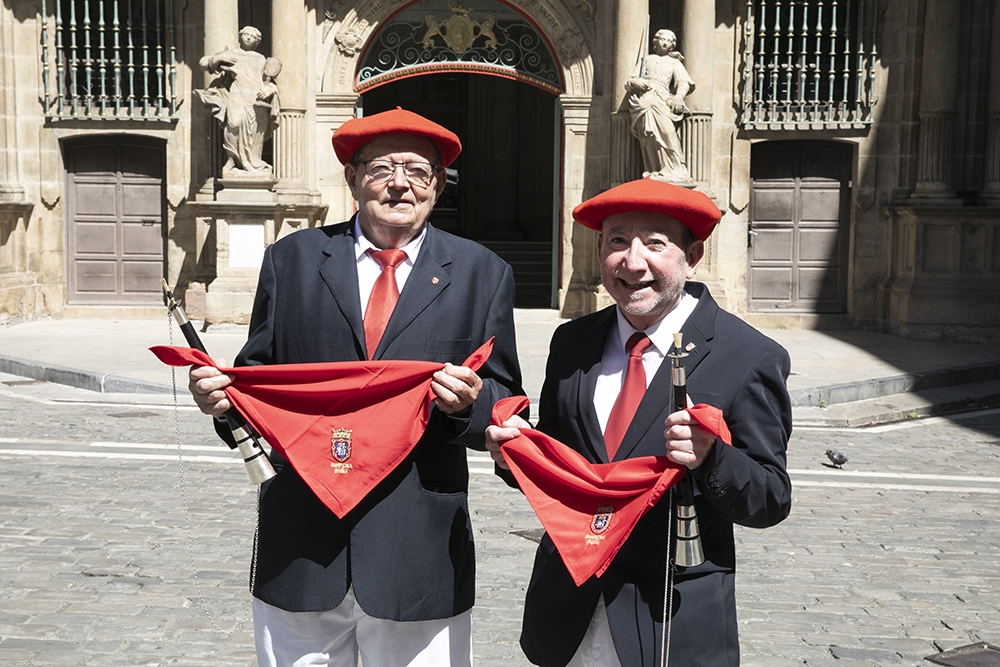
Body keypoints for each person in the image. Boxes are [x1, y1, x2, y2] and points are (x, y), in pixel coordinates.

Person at [187, 107, 522, 666]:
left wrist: (468, 406)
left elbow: (505, 404)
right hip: (300, 546)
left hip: (418, 553)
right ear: (351, 177)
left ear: (438, 184)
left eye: (417, 170)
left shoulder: (482, 272)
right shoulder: (290, 261)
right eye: (381, 168)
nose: (399, 183)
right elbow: (260, 385)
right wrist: (222, 403)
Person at [486, 178, 792, 666]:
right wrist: (516, 455)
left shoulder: (748, 356)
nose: (632, 262)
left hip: (668, 618)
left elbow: (770, 498)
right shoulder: (572, 341)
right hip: (568, 613)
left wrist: (712, 457)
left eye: (654, 243)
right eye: (616, 241)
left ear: (692, 256)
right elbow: (564, 467)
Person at [196, 26, 280, 177]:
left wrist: (272, 90)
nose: (248, 38)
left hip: (256, 98)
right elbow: (203, 63)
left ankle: (253, 163)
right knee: (233, 124)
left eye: (252, 37)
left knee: (254, 132)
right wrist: (219, 58)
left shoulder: (260, 58)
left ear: (257, 41)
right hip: (237, 94)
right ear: (240, 36)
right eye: (246, 34)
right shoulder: (231, 53)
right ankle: (231, 160)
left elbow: (269, 80)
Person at [625, 28, 696, 185]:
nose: (666, 42)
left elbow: (683, 82)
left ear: (673, 45)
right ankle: (655, 169)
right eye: (663, 39)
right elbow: (630, 81)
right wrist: (635, 82)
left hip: (662, 101)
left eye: (670, 40)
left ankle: (677, 169)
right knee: (648, 137)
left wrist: (679, 96)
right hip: (644, 101)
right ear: (655, 41)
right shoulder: (646, 59)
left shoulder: (674, 62)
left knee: (667, 133)